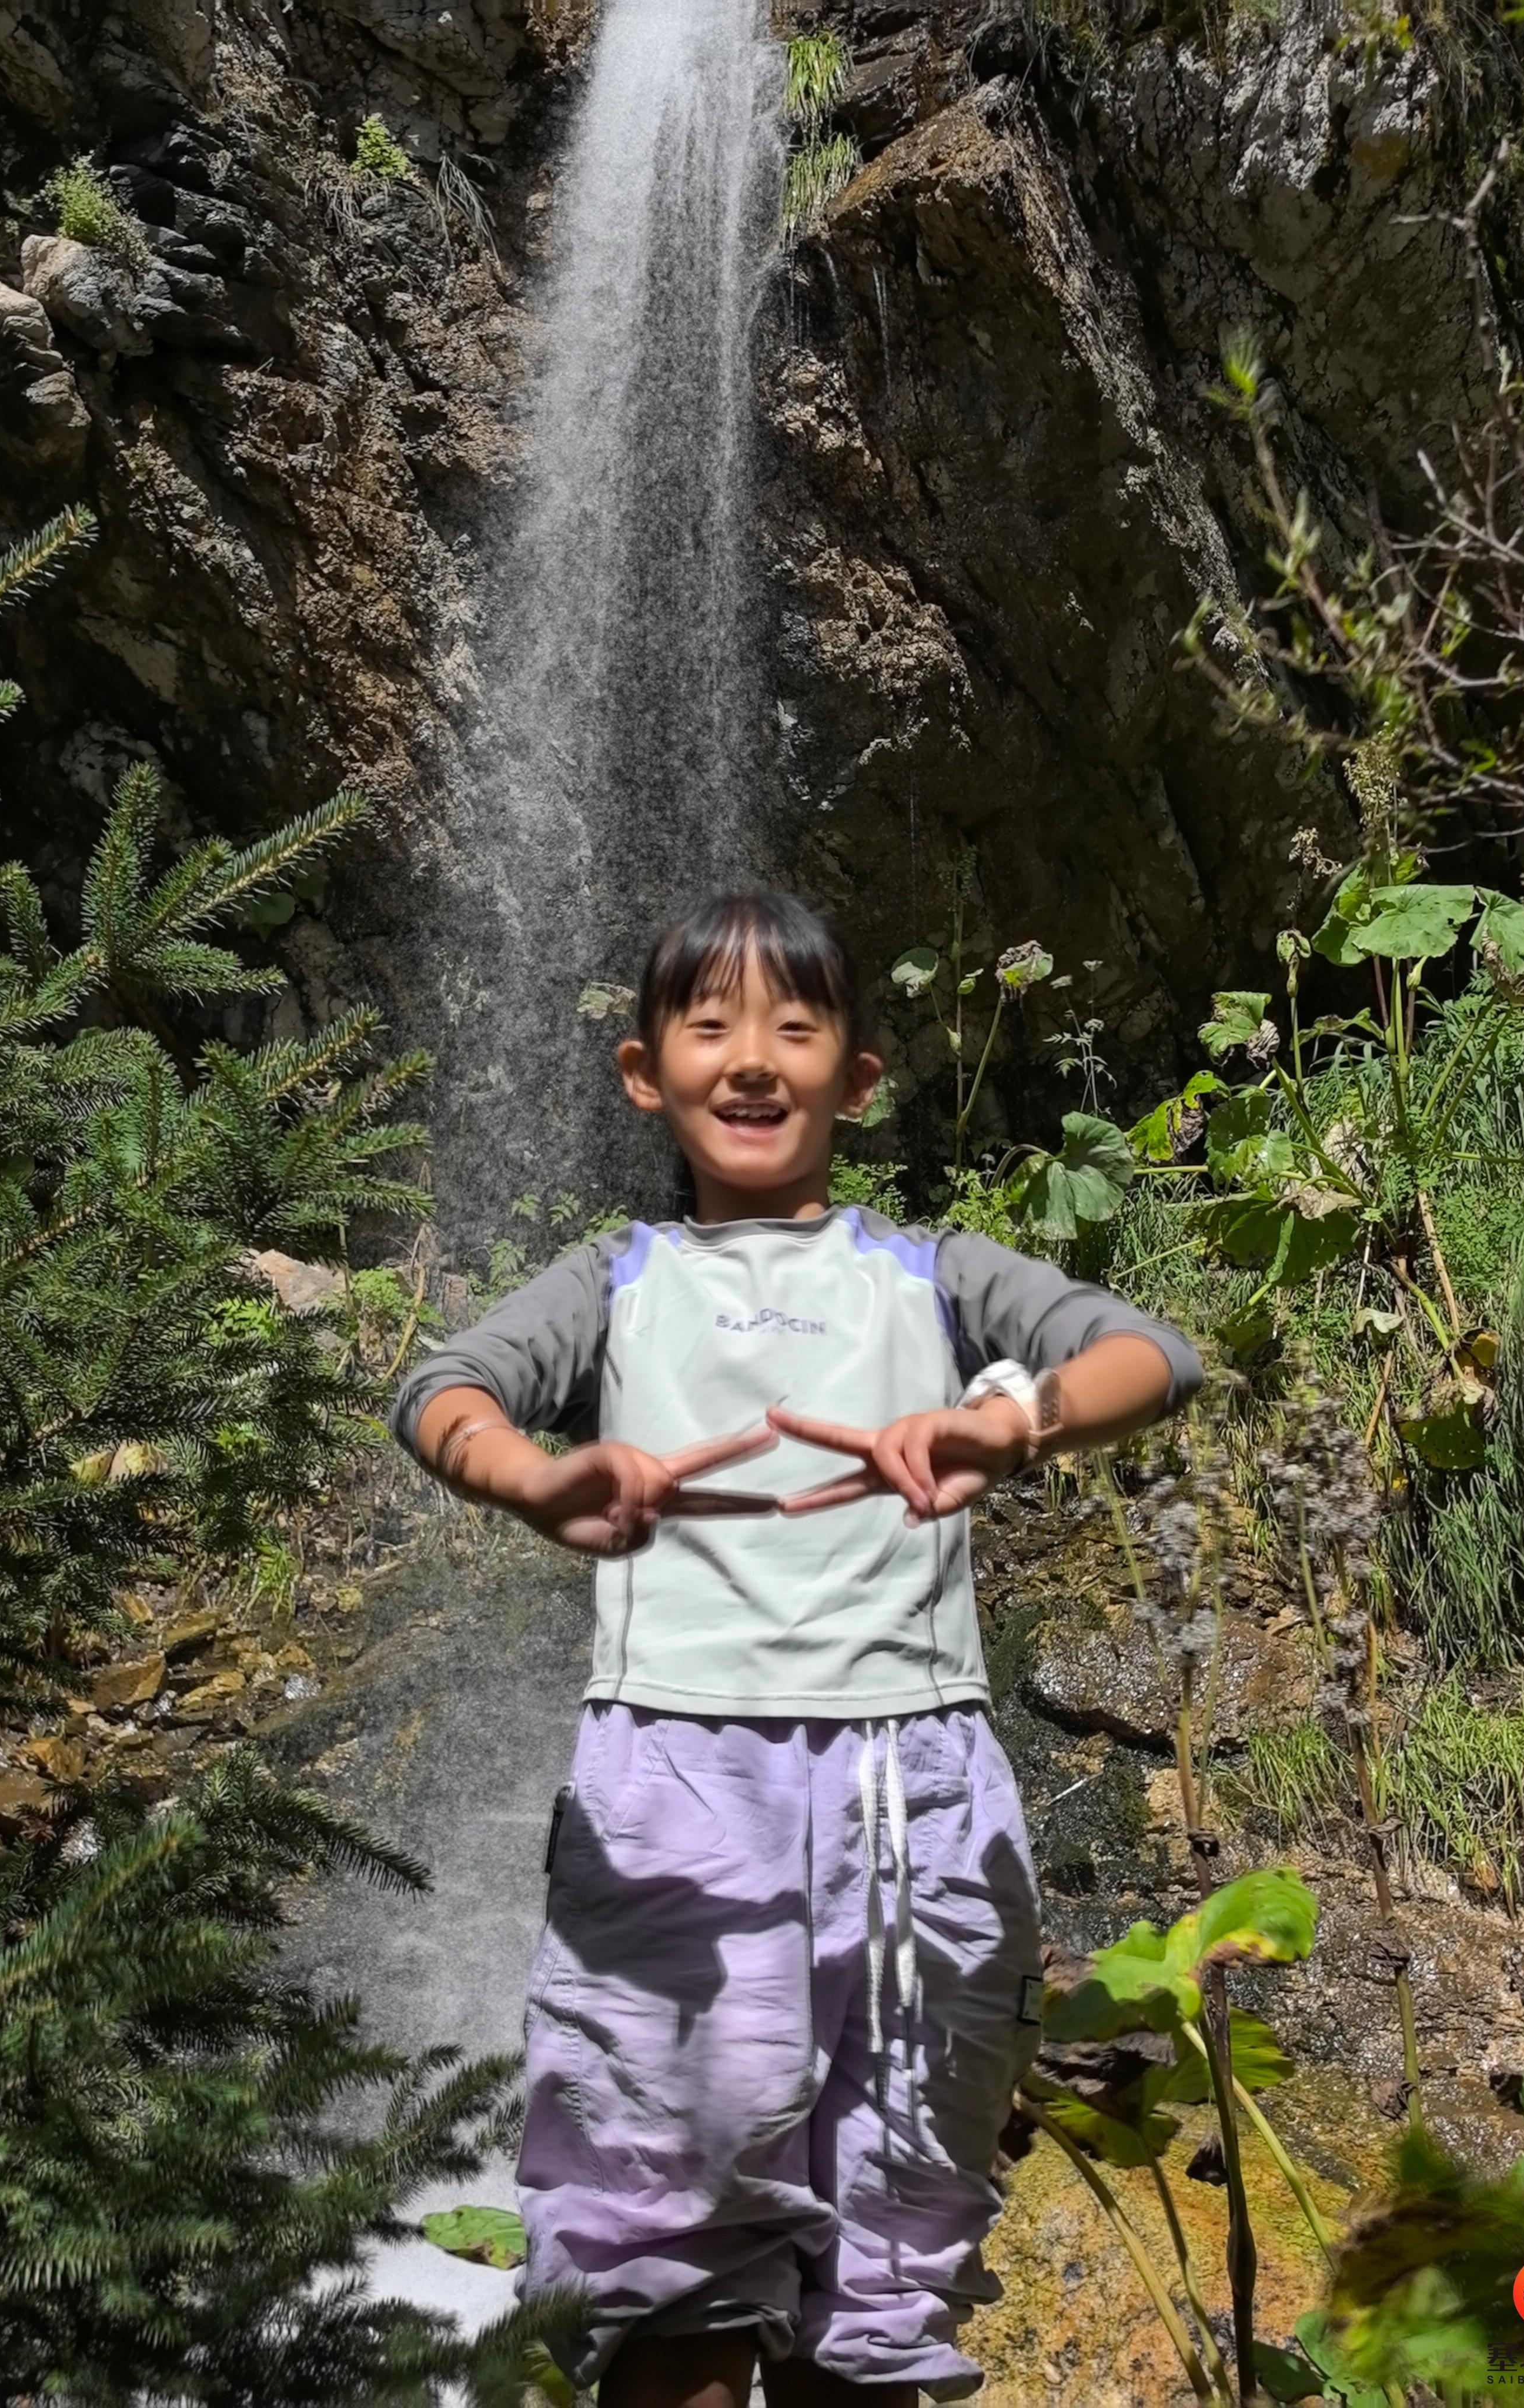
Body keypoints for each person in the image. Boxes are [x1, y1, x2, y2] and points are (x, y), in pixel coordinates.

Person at [392, 892, 1202, 2408]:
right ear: (646, 1074)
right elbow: (445, 1389)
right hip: (674, 1788)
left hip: (917, 1796)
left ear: (859, 1078)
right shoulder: (616, 1281)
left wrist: (1009, 1420)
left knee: (890, 2264)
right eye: (711, 1027)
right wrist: (534, 1477)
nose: (753, 1058)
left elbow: (1152, 1355)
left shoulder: (934, 1274)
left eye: (796, 1026)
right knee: (666, 2264)